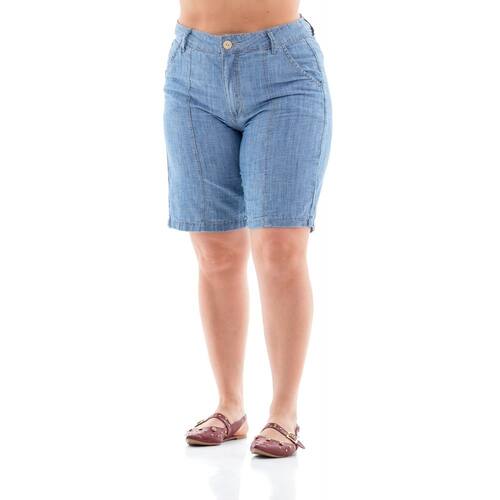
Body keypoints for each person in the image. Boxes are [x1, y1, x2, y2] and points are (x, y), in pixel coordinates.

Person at [163, 1, 332, 458]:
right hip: (192, 69)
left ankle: (284, 413)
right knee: (214, 252)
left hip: (283, 70)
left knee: (279, 248)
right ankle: (230, 406)